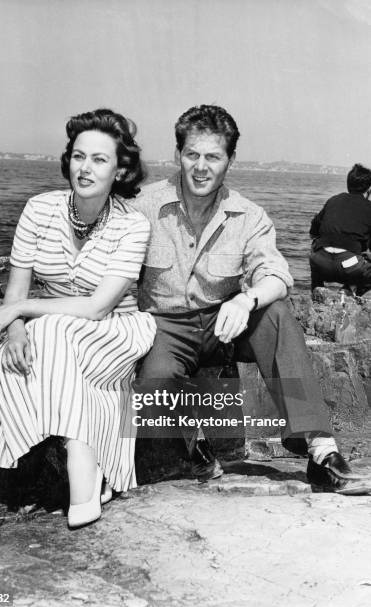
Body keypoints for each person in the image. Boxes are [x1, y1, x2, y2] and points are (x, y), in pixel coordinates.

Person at [133, 104, 369, 493]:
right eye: (192, 154)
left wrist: (245, 301)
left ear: (230, 160)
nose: (201, 167)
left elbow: (277, 275)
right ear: (177, 155)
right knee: (154, 392)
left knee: (274, 312)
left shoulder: (249, 215)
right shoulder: (141, 205)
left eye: (213, 156)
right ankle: (193, 443)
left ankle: (321, 453)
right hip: (164, 329)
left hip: (223, 327)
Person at [0, 109, 156, 528]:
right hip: (56, 328)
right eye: (79, 157)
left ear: (120, 169)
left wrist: (19, 312)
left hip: (116, 330)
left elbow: (97, 307)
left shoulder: (133, 226)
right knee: (43, 340)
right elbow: (16, 291)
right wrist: (17, 331)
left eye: (99, 159)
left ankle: (81, 464)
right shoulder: (39, 210)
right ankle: (91, 469)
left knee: (54, 331)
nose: (85, 168)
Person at [309, 163, 371, 294]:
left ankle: (317, 292)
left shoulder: (333, 200)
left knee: (316, 246)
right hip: (349, 268)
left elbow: (313, 231)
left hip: (320, 265)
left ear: (348, 184)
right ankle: (348, 292)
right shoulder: (369, 207)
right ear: (369, 189)